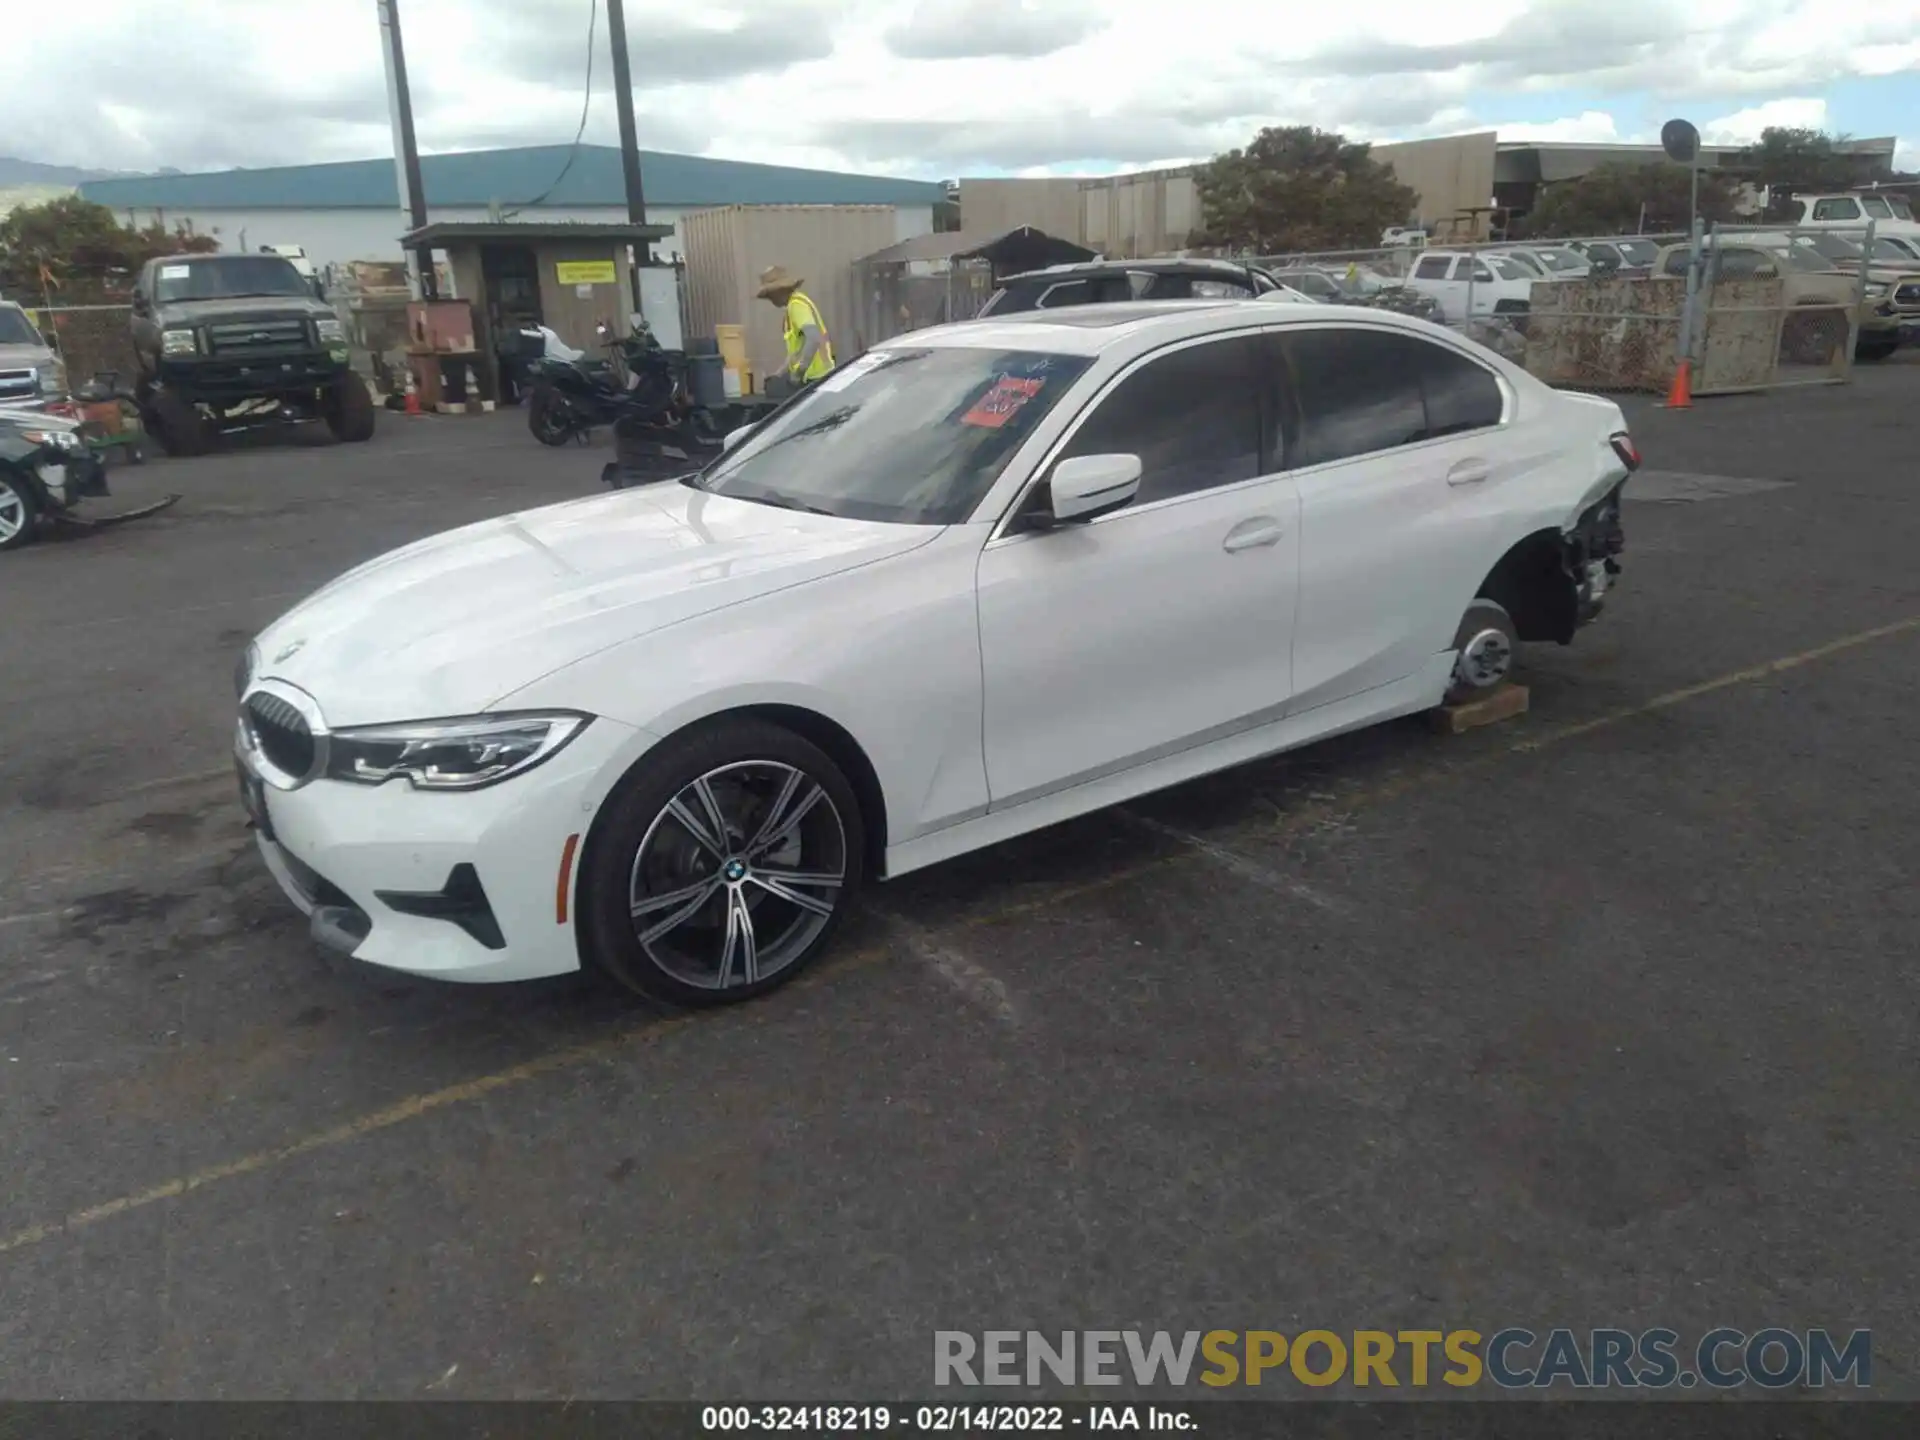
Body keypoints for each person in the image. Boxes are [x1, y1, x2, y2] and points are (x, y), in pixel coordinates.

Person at [756, 265, 835, 389]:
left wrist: (799, 371)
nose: (770, 299)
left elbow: (814, 339)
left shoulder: (796, 305)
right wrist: (780, 374)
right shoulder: (793, 307)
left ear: (779, 291)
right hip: (815, 377)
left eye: (770, 295)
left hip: (815, 378)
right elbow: (796, 351)